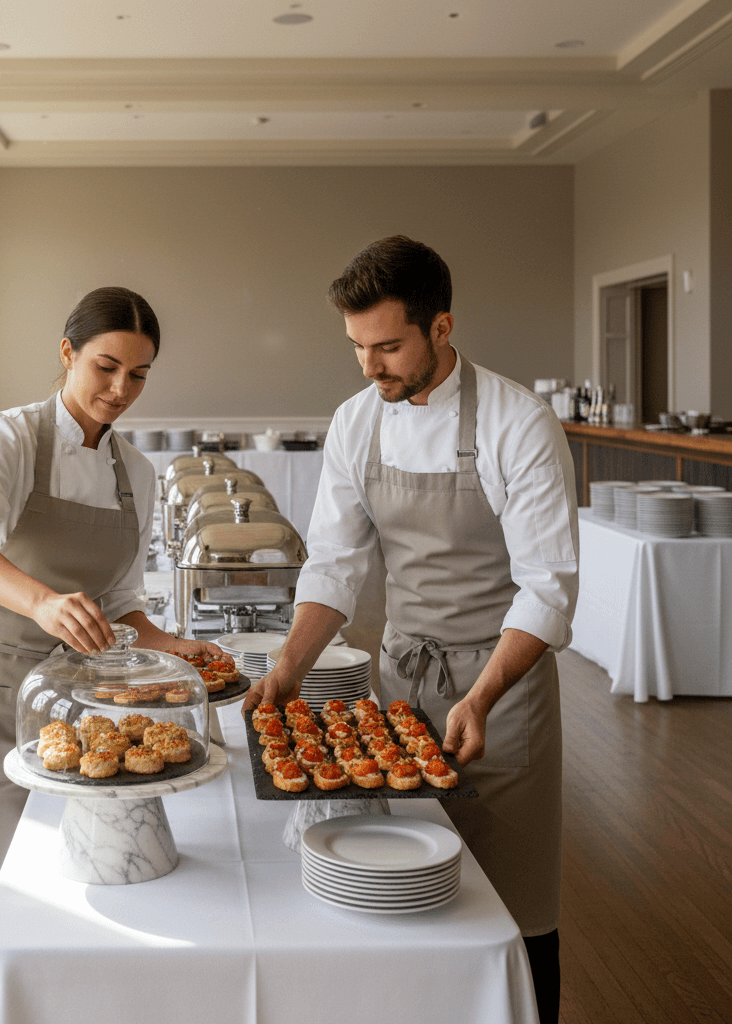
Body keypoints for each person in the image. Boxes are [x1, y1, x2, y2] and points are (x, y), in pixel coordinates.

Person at [244, 236, 578, 1024]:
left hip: (504, 692)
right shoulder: (357, 422)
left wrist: (484, 697)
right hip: (399, 685)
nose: (370, 367)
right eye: (358, 347)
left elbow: (549, 586)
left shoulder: (516, 423)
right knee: (395, 892)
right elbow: (334, 564)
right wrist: (290, 669)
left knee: (517, 914)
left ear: (442, 328)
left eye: (388, 346)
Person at [0, 286, 221, 1023]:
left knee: (70, 902)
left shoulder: (135, 476)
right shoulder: (10, 437)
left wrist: (180, 649)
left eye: (139, 375)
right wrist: (43, 602)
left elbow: (119, 605)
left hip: (78, 715)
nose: (121, 390)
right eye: (106, 367)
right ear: (67, 354)